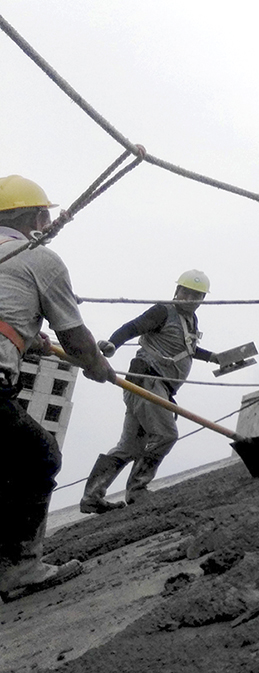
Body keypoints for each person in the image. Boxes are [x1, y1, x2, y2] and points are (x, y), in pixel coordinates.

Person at [0, 175, 115, 601]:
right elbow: (77, 340)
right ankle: (20, 570)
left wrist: (30, 341)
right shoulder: (39, 257)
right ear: (36, 217)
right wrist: (96, 366)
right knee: (37, 458)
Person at [79, 270, 217, 513]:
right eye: (186, 292)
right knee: (166, 434)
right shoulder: (163, 311)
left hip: (156, 387)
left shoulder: (190, 321)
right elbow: (133, 327)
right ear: (177, 291)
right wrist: (113, 343)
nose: (191, 298)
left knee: (129, 447)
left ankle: (92, 497)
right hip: (147, 381)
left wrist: (215, 358)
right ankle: (138, 490)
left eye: (197, 295)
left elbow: (188, 349)